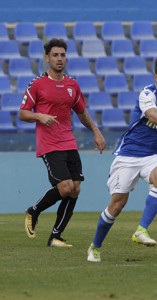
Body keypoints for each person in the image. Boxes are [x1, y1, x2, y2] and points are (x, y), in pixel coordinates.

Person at [87, 55, 157, 262]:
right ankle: (95, 246)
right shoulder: (147, 93)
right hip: (129, 155)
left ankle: (141, 230)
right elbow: (151, 115)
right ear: (156, 76)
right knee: (116, 205)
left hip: (151, 155)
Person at [21, 38, 106, 248]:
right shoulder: (37, 84)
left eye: (63, 55)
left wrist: (96, 131)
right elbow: (23, 113)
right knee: (65, 186)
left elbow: (82, 112)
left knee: (75, 189)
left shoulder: (72, 85)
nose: (60, 59)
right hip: (49, 144)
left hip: (69, 142)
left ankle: (55, 236)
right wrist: (40, 117)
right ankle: (33, 211)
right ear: (47, 58)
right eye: (55, 55)